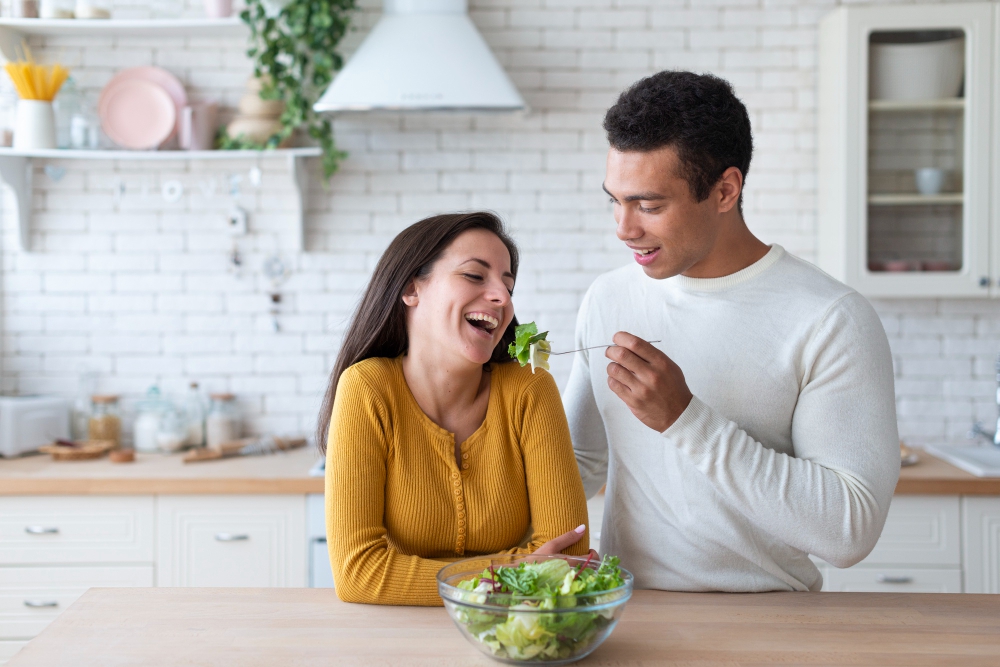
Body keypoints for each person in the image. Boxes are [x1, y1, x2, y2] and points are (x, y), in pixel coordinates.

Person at [564, 71, 899, 592]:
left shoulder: (830, 318)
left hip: (767, 622)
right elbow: (581, 460)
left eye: (649, 206)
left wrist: (684, 420)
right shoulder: (609, 297)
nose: (624, 228)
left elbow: (849, 529)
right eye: (615, 200)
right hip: (623, 617)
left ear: (725, 189)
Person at [320, 212, 591, 606]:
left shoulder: (530, 389)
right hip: (395, 639)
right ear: (412, 288)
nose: (503, 298)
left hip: (512, 636)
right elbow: (359, 574)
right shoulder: (368, 389)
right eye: (475, 275)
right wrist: (514, 573)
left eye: (508, 283)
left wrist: (453, 579)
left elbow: (569, 554)